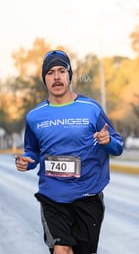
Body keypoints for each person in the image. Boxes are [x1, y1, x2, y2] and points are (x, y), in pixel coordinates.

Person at [14, 50, 124, 254]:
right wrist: (27, 162)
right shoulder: (34, 116)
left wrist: (108, 141)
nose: (56, 77)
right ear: (44, 79)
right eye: (50, 73)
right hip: (52, 197)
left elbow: (118, 146)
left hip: (88, 196)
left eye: (61, 71)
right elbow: (33, 152)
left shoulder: (91, 109)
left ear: (69, 75)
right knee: (61, 249)